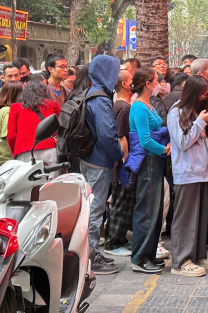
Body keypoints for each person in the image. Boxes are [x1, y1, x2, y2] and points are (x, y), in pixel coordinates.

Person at [167, 75, 208, 277]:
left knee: (200, 218)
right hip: (186, 172)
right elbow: (182, 142)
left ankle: (197, 256)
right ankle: (181, 261)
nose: (204, 96)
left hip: (204, 171)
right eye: (202, 93)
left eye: (207, 93)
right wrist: (199, 122)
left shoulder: (198, 111)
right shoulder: (177, 112)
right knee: (186, 218)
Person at [80, 55, 122, 275]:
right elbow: (107, 134)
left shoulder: (92, 92)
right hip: (99, 160)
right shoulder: (102, 99)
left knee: (91, 208)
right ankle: (90, 257)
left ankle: (91, 252)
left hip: (89, 157)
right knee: (94, 211)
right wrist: (119, 153)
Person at [129, 68, 170, 274]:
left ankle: (149, 254)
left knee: (153, 210)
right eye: (156, 81)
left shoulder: (147, 105)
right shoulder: (139, 107)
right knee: (146, 209)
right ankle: (139, 257)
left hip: (155, 160)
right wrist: (164, 148)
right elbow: (145, 140)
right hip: (148, 161)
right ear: (147, 83)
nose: (159, 84)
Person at [104, 69, 136, 257]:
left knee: (120, 203)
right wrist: (126, 164)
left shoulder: (119, 105)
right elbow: (122, 138)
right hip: (122, 165)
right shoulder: (124, 108)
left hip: (120, 165)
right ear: (124, 84)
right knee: (120, 204)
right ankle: (113, 242)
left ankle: (119, 238)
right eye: (131, 80)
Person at [7, 80, 61, 165]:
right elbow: (61, 127)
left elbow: (11, 136)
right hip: (50, 148)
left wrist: (15, 151)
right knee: (52, 178)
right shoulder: (53, 104)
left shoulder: (15, 107)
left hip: (24, 152)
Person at [0, 81, 24, 165]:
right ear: (17, 95)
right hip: (8, 161)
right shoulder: (8, 111)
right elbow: (9, 136)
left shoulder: (5, 110)